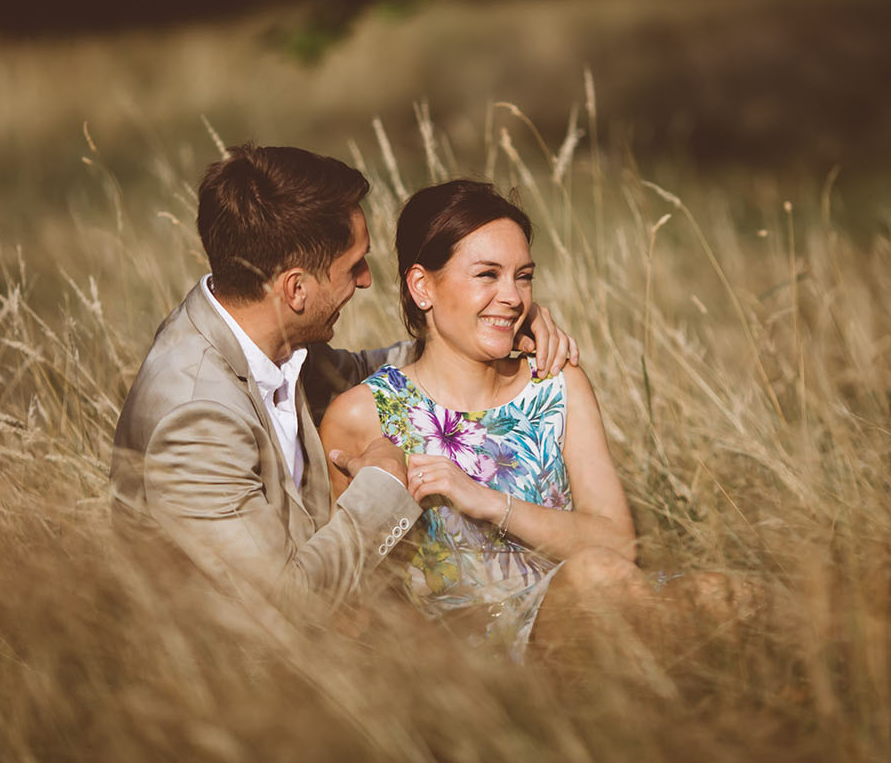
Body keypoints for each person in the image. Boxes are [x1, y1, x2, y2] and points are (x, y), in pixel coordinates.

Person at [110, 145, 577, 617]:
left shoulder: (263, 339)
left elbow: (377, 371)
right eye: (353, 265)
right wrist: (383, 483)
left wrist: (502, 320)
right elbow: (289, 602)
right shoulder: (193, 417)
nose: (367, 280)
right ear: (295, 289)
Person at [320, 179, 656, 658]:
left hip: (602, 613)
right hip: (475, 661)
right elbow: (361, 593)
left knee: (734, 598)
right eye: (487, 275)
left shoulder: (555, 383)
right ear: (422, 286)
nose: (514, 297)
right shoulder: (363, 414)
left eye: (523, 276)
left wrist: (487, 501)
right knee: (598, 582)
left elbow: (619, 545)